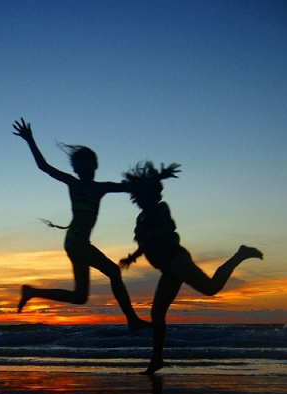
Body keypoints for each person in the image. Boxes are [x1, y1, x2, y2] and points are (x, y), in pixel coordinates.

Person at [12, 118, 177, 332]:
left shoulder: (101, 188)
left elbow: (130, 186)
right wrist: (30, 140)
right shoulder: (73, 183)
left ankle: (32, 292)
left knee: (80, 296)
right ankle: (132, 320)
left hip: (77, 243)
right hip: (76, 241)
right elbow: (44, 166)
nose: (84, 170)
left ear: (95, 166)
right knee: (114, 273)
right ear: (75, 169)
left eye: (88, 165)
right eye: (79, 167)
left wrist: (160, 175)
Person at [119, 161, 263, 374]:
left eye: (146, 195)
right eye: (139, 196)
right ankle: (156, 360)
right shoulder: (142, 217)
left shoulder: (160, 209)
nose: (142, 199)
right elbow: (145, 243)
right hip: (168, 268)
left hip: (177, 260)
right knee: (157, 313)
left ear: (153, 194)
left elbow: (168, 229)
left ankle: (240, 255)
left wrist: (149, 236)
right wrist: (134, 257)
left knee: (211, 288)